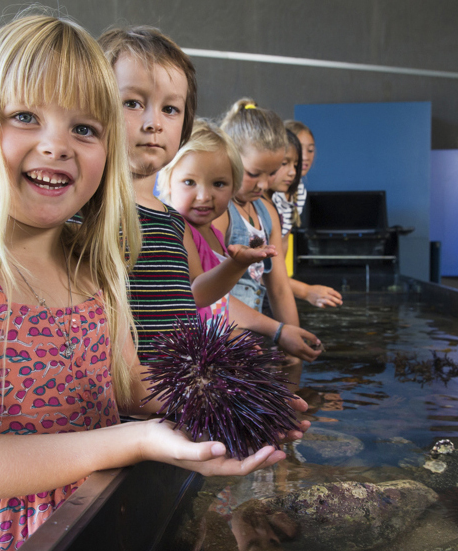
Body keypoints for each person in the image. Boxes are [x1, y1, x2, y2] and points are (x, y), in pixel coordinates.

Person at [0, 15, 303, 551]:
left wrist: (233, 406)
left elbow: (130, 384)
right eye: (26, 116)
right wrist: (137, 441)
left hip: (104, 521)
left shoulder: (96, 264)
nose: (57, 144)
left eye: (84, 127)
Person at [97, 26, 274, 362]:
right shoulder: (91, 212)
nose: (154, 123)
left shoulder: (172, 222)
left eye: (170, 109)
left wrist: (234, 267)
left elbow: (196, 293)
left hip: (176, 384)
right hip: (123, 393)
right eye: (132, 103)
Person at [159, 120, 322, 361]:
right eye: (189, 182)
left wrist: (277, 331)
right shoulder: (176, 227)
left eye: (219, 184)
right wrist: (237, 265)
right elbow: (197, 295)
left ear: (232, 186)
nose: (204, 196)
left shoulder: (211, 233)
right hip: (186, 360)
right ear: (168, 182)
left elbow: (219, 303)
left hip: (216, 354)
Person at [214, 99, 319, 361]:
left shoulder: (267, 212)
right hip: (217, 340)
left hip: (251, 341)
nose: (263, 185)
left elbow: (280, 289)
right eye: (253, 173)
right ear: (229, 156)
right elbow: (208, 296)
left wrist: (293, 345)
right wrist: (278, 331)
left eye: (270, 173)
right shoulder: (219, 213)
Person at [266, 128, 342, 309]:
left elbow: (282, 244)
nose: (305, 157)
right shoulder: (267, 199)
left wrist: (284, 286)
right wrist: (304, 291)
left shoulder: (297, 190)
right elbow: (260, 269)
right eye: (285, 162)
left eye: (310, 150)